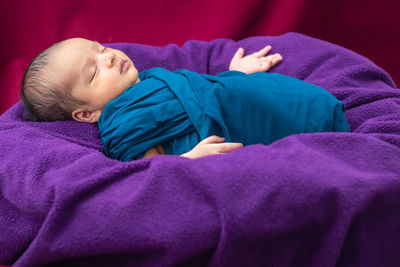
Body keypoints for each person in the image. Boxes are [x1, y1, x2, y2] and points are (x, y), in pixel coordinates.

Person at [21, 38, 350, 160]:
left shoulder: (150, 78)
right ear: (85, 114)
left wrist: (234, 74)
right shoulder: (119, 125)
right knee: (288, 124)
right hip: (228, 131)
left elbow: (201, 89)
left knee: (285, 100)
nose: (108, 58)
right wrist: (189, 159)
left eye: (101, 48)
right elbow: (147, 170)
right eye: (93, 73)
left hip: (239, 98)